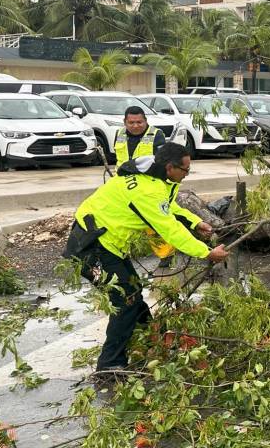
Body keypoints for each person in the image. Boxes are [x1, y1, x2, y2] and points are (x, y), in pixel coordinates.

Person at [63, 143, 228, 374]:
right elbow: (169, 228)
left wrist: (193, 221)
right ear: (170, 168)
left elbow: (168, 207)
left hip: (106, 243)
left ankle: (150, 339)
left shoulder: (153, 173)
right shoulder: (146, 190)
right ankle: (109, 364)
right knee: (124, 301)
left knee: (132, 289)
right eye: (186, 170)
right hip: (91, 247)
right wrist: (207, 252)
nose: (187, 174)